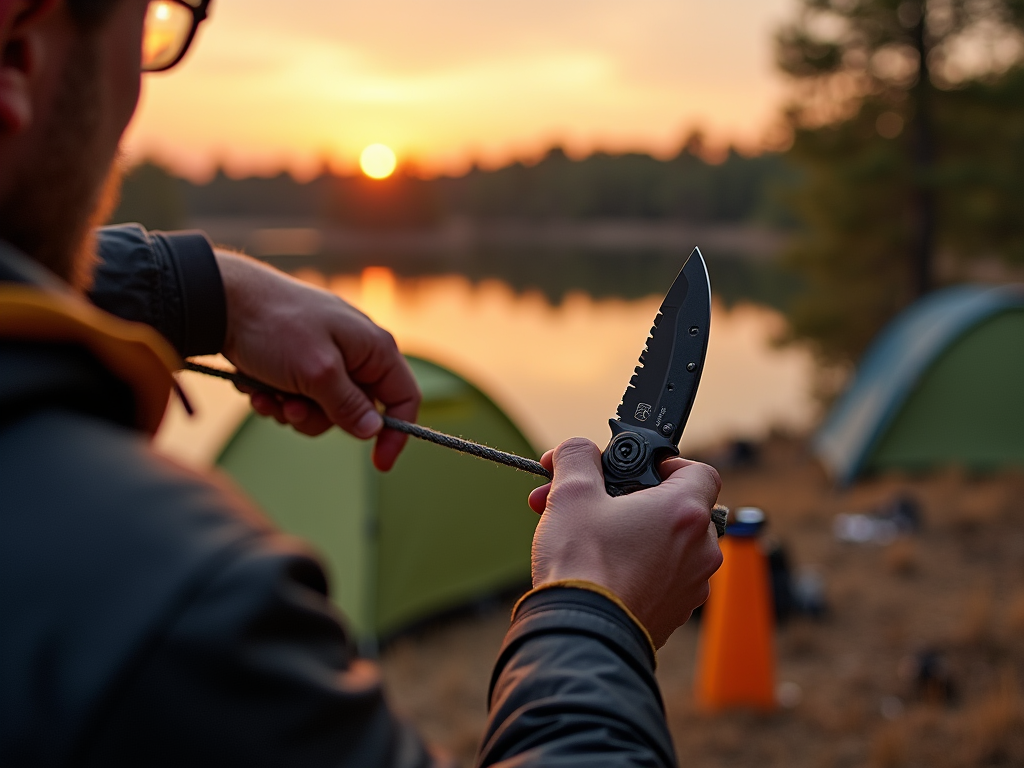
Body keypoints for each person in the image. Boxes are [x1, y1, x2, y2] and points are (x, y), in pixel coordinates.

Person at [0, 1, 725, 765]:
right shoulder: (174, 610)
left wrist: (196, 290)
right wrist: (597, 610)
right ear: (18, 56)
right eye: (148, 27)